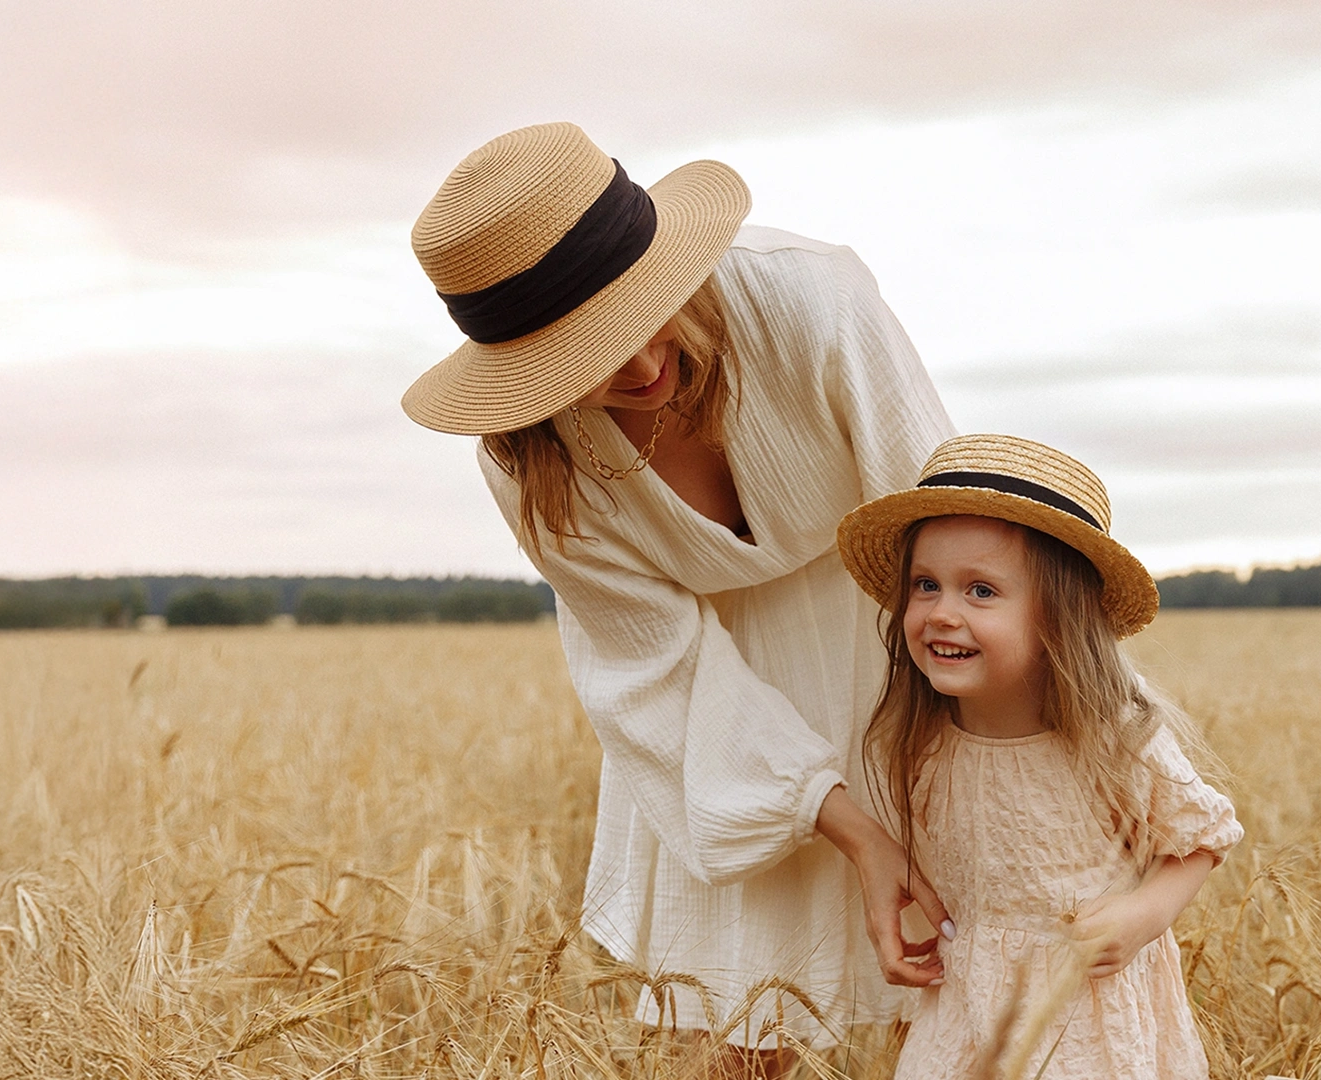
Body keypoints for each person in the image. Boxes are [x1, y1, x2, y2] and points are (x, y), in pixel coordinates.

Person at [399, 122, 958, 1063]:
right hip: (716, 720)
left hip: (910, 652)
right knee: (737, 1036)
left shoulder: (812, 300)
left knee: (949, 1010)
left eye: (636, 314)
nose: (638, 368)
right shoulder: (532, 464)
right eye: (580, 358)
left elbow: (944, 519)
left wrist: (1025, 731)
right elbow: (657, 662)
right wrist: (853, 830)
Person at [835, 433, 1245, 1079]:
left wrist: (1144, 914)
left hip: (1086, 1012)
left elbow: (1203, 837)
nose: (942, 612)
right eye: (926, 584)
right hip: (965, 1011)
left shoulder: (1112, 736)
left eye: (980, 591)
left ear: (1058, 616)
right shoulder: (920, 740)